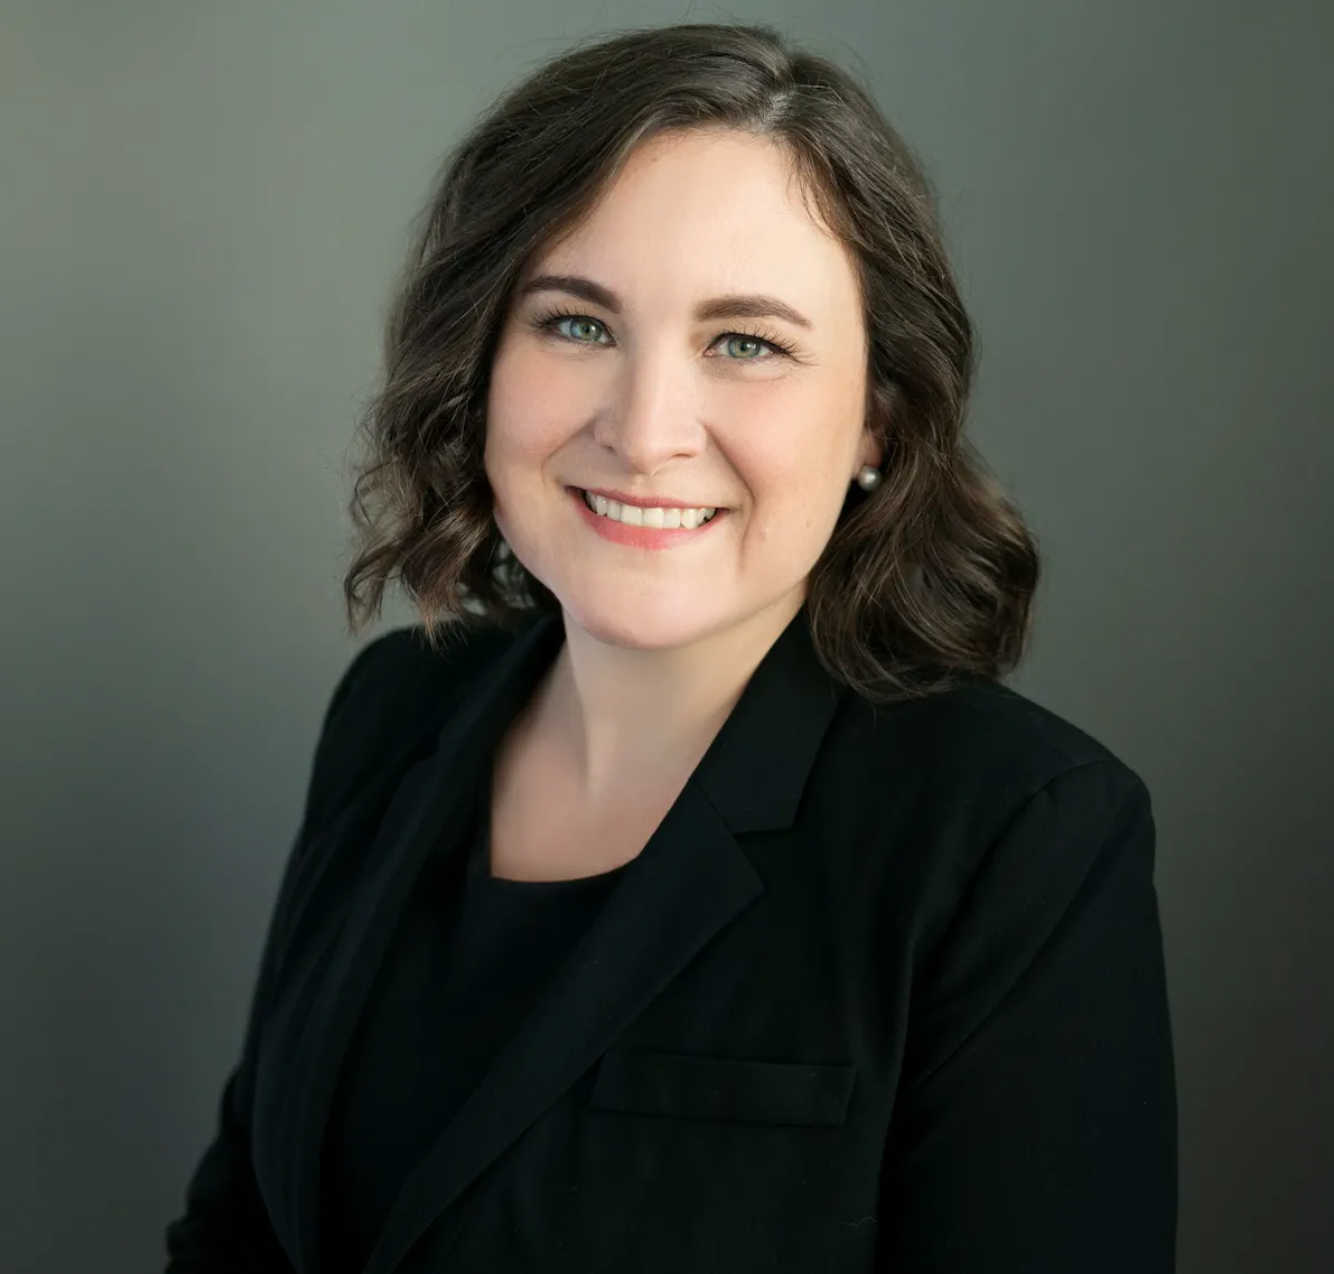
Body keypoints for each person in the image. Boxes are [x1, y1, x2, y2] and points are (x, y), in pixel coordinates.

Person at [164, 21, 1176, 1274]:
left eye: (743, 343)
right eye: (576, 324)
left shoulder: (1012, 837)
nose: (645, 432)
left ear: (878, 421)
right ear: (478, 363)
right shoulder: (391, 712)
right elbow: (240, 1240)